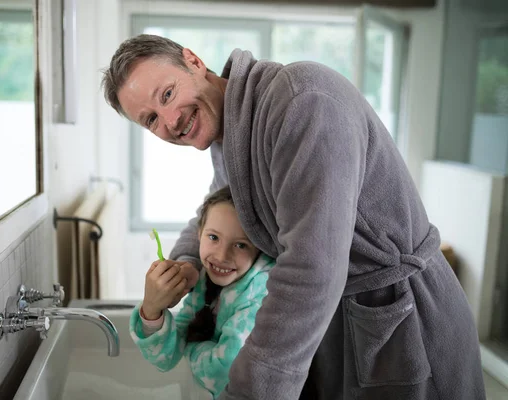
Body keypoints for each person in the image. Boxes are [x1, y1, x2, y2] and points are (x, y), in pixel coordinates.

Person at [102, 34, 486, 400]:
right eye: (151, 119)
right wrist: (186, 262)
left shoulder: (303, 102)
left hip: (401, 321)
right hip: (343, 324)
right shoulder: (232, 134)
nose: (169, 121)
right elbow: (222, 204)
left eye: (167, 94)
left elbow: (310, 270)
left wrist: (251, 390)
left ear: (194, 61)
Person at [130, 186, 275, 398]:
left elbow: (224, 372)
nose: (222, 256)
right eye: (214, 238)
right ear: (199, 234)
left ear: (260, 246)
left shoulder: (260, 292)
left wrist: (191, 348)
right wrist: (152, 311)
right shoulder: (206, 279)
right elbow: (166, 357)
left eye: (241, 245)